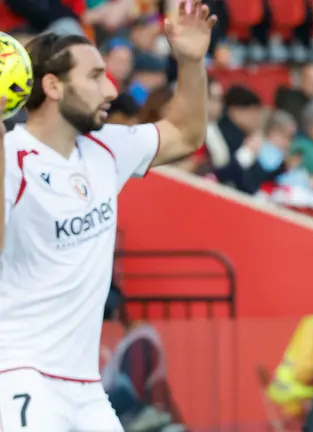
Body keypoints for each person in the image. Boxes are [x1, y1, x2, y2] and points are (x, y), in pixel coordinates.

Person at [0, 1, 216, 431]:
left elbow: (186, 134)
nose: (112, 90)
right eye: (96, 77)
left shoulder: (106, 148)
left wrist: (190, 62)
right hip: (20, 374)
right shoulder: (13, 158)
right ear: (53, 86)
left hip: (84, 387)